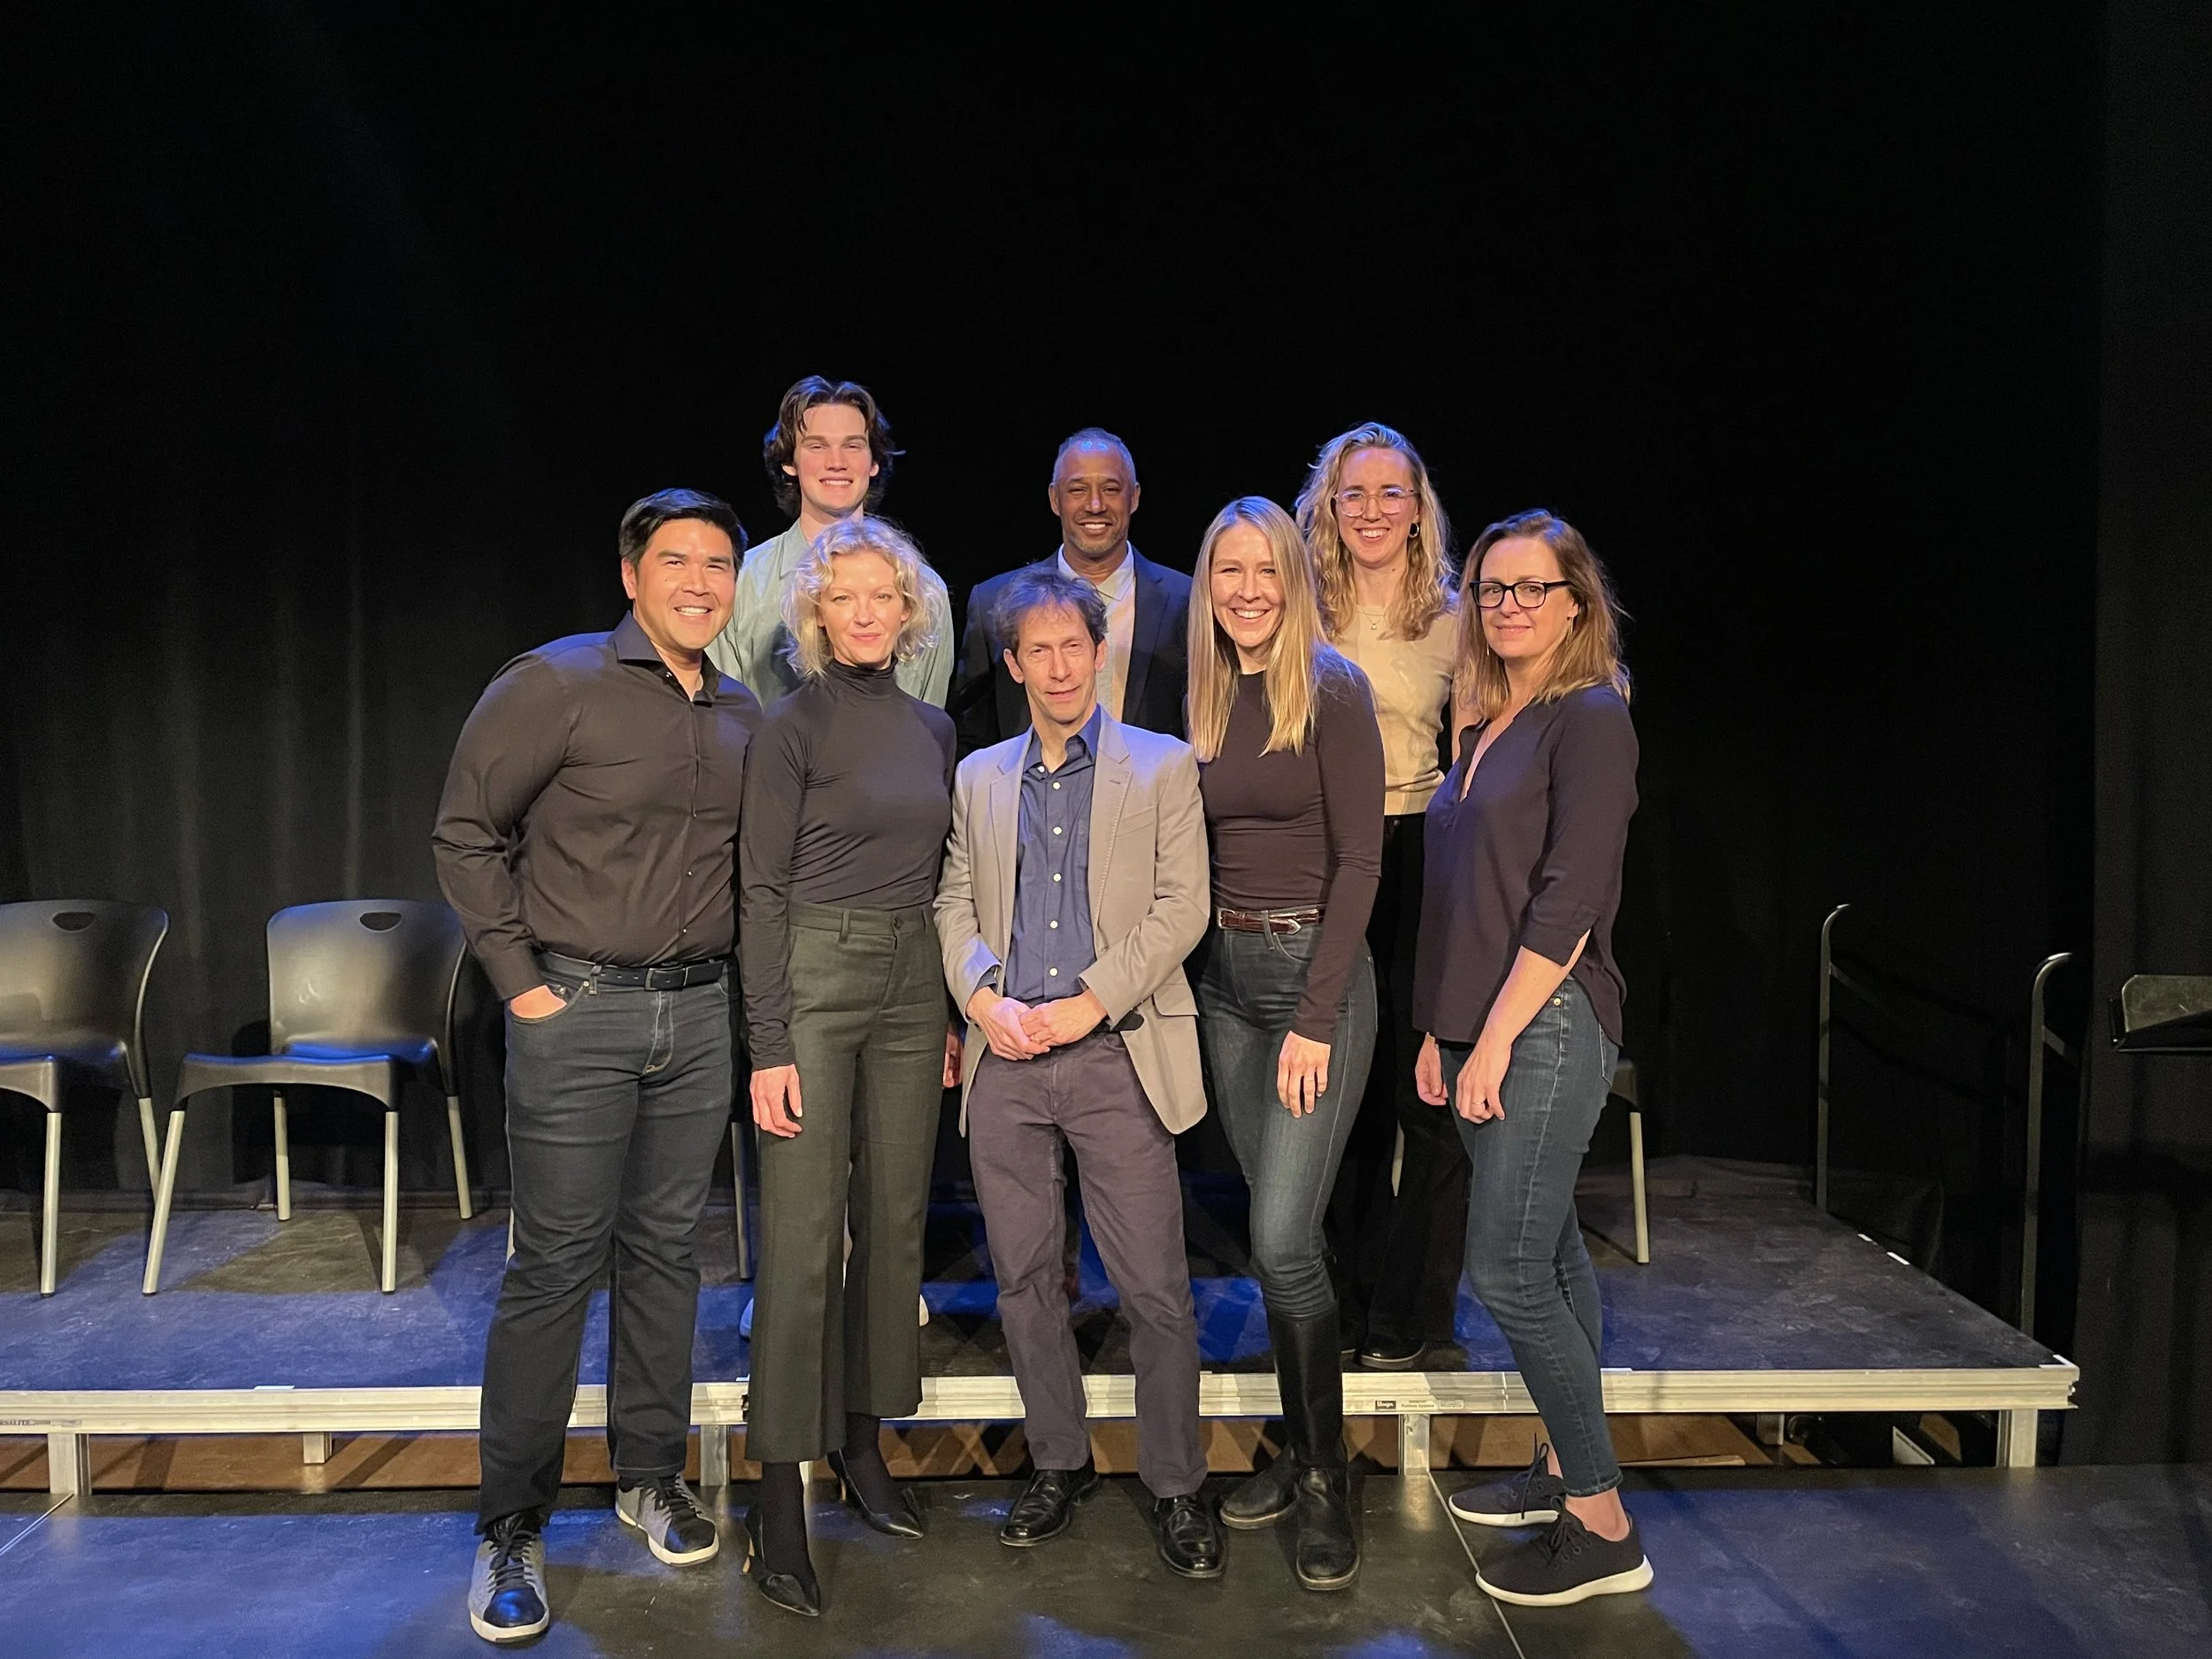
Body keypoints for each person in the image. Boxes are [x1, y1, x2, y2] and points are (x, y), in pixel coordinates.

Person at [432, 489, 758, 1645]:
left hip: (700, 1014)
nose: (700, 581)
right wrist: (521, 980)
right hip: (579, 1010)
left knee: (670, 1251)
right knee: (555, 1264)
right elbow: (465, 831)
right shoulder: (555, 682)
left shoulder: (740, 710)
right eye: (677, 560)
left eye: (718, 563)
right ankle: (509, 1522)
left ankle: (648, 1472)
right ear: (632, 574)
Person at [934, 568, 1222, 1578]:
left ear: (1100, 654)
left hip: (1114, 1048)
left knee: (1153, 1288)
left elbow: (1182, 908)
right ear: (1011, 665)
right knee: (1023, 1280)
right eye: (1037, 651)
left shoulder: (1161, 765)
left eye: (1075, 647)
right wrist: (983, 1002)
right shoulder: (978, 775)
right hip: (1007, 1058)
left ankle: (1178, 1485)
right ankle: (1057, 1464)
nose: (1058, 667)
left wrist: (1086, 1001)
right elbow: (953, 906)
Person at [1416, 510, 1649, 1607]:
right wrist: (1437, 1029)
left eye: (1529, 588)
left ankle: (1602, 1524)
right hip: (1480, 1025)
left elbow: (1569, 897)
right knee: (1550, 1258)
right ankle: (1564, 1468)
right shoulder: (1486, 723)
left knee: (1505, 1269)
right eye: (1490, 589)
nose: (1507, 605)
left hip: (1546, 1027)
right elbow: (1459, 896)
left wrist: (1495, 1038)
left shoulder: (1589, 718)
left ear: (1574, 603)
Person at [735, 514, 959, 1618]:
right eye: (845, 597)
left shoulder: (934, 727)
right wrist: (768, 1042)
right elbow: (761, 891)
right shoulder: (790, 727)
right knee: (804, 1236)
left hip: (917, 982)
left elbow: (948, 874)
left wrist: (954, 1007)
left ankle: (866, 1446)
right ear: (814, 614)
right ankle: (778, 1497)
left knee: (896, 1221)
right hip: (816, 978)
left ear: (908, 611)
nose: (866, 613)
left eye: (884, 597)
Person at [1188, 496, 1384, 1592]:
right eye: (1229, 572)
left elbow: (1360, 862)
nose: (1248, 590)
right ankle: (1302, 1453)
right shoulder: (1211, 693)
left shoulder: (1334, 687)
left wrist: (1314, 1015)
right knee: (1282, 1242)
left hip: (1316, 981)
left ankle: (1327, 1481)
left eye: (1265, 570)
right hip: (1225, 984)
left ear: (1292, 579)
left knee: (1279, 1236)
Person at [1296, 422, 1468, 1371]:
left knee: (1426, 1089)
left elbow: (1479, 746)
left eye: (1389, 493)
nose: (1370, 510)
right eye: (1352, 493)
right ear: (1328, 506)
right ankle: (1349, 1298)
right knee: (1346, 1090)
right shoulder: (1302, 613)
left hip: (1423, 852)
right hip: (1329, 853)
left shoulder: (1452, 616)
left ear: (1417, 507)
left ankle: (1416, 1310)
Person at [709, 376, 954, 707]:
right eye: (817, 446)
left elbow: (929, 724)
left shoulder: (923, 589)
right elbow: (723, 716)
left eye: (853, 445)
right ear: (789, 462)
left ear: (874, 462)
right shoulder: (743, 581)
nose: (836, 462)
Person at [952, 428, 1191, 752]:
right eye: (1078, 490)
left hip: (1154, 801)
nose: (1095, 505)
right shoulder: (991, 602)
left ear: (1134, 497)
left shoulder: (1187, 602)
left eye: (1110, 489)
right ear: (1054, 499)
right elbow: (972, 734)